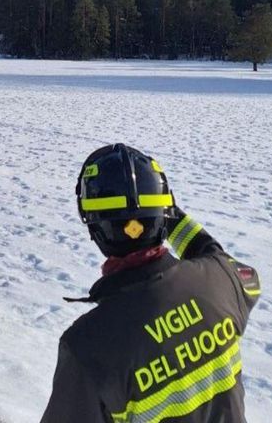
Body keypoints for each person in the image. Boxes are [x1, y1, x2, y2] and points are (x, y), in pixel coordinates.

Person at [40, 143, 260, 423]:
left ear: (93, 226)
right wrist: (161, 213)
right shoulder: (221, 280)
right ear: (164, 212)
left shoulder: (87, 347)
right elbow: (220, 258)